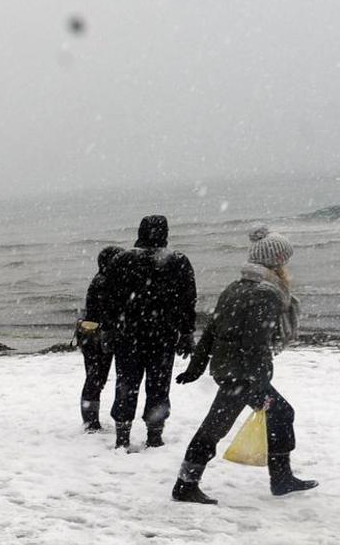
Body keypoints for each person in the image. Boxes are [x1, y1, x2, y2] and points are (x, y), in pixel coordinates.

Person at [172, 228, 318, 504]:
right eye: (285, 261)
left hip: (231, 369)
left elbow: (212, 330)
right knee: (273, 415)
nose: (287, 267)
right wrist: (258, 379)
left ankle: (188, 482)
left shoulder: (236, 287)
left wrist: (197, 367)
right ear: (276, 262)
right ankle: (279, 479)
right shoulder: (266, 293)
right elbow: (255, 339)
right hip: (244, 373)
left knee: (223, 425)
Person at [105, 215, 195, 449]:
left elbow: (109, 301)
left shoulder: (121, 260)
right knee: (158, 386)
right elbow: (188, 301)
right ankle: (154, 436)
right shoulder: (179, 261)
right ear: (165, 234)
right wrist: (186, 333)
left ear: (140, 232)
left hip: (128, 336)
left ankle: (122, 437)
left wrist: (108, 330)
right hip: (163, 336)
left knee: (126, 384)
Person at [75, 245, 121, 431]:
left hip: (90, 336)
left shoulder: (101, 279)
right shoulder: (105, 282)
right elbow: (109, 312)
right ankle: (90, 422)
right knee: (95, 379)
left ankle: (90, 420)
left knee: (95, 378)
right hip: (96, 337)